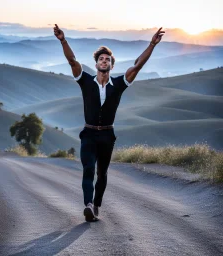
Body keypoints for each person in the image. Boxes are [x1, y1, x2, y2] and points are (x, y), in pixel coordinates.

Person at [54, 24, 165, 222]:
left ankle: (96, 204)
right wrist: (63, 40)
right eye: (101, 59)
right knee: (88, 169)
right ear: (96, 63)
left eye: (107, 60)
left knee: (102, 173)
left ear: (111, 65)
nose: (104, 61)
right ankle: (88, 205)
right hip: (88, 134)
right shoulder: (85, 81)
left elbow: (138, 65)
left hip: (107, 135)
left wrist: (152, 44)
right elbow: (72, 60)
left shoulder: (120, 84)